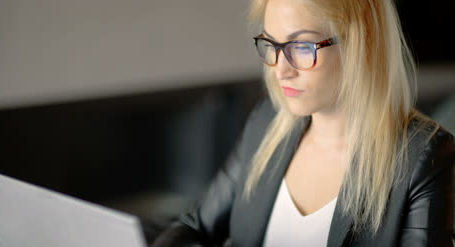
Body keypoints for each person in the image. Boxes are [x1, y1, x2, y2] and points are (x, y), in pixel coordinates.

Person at [151, 0, 455, 246]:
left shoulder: (424, 157)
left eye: (302, 46)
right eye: (271, 43)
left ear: (362, 45)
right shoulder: (266, 123)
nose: (281, 69)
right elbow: (194, 226)